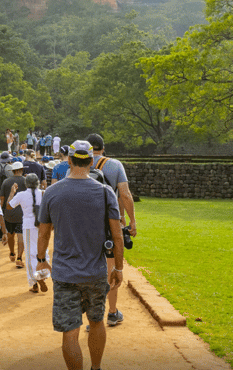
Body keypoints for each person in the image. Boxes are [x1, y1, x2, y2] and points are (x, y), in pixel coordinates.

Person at [36, 141, 123, 370]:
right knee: (96, 322)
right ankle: (96, 367)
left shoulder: (52, 193)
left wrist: (41, 259)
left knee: (70, 332)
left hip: (65, 273)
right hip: (95, 272)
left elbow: (44, 233)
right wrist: (119, 268)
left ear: (69, 161)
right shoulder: (104, 193)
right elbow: (117, 236)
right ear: (92, 162)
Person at [86, 133, 137, 327]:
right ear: (103, 148)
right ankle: (112, 312)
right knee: (112, 269)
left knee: (90, 269)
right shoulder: (115, 165)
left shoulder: (78, 165)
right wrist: (132, 221)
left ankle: (93, 316)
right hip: (109, 223)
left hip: (87, 224)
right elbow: (124, 193)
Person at [7, 173, 50, 293]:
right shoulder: (44, 193)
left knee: (31, 254)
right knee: (43, 251)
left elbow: (9, 207)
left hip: (28, 227)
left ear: (26, 184)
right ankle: (43, 275)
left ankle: (35, 281)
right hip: (42, 225)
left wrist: (12, 192)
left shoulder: (21, 195)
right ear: (38, 183)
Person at [0, 160, 26, 268]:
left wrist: (1, 211)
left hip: (9, 212)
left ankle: (12, 252)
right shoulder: (26, 181)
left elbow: (2, 199)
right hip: (22, 212)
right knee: (21, 235)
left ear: (13, 171)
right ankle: (19, 257)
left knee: (10, 234)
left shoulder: (6, 182)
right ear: (21, 170)